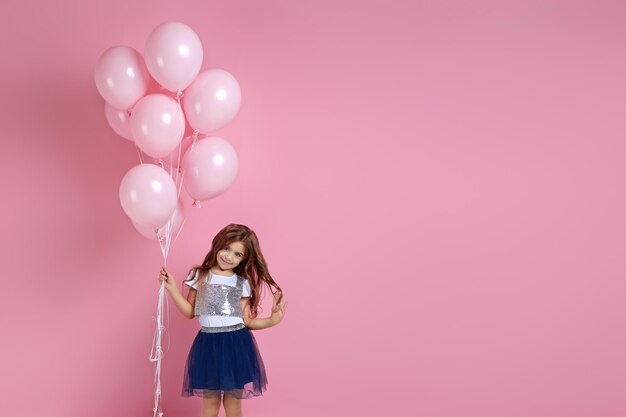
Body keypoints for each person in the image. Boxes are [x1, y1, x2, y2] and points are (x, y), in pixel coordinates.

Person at [159, 223, 287, 417]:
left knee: (233, 403)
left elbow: (247, 322)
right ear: (218, 244)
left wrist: (272, 320)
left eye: (238, 254)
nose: (229, 256)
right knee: (210, 402)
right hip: (208, 344)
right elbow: (190, 311)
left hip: (236, 345)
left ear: (244, 259)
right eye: (227, 248)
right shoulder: (200, 275)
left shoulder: (241, 283)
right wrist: (172, 289)